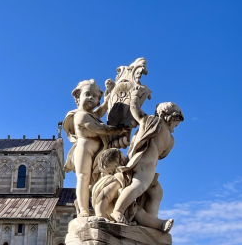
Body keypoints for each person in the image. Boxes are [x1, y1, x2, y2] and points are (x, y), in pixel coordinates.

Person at [111, 85, 182, 231]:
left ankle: (151, 221)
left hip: (150, 166)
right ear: (169, 117)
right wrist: (135, 96)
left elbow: (163, 154)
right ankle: (117, 211)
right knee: (138, 185)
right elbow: (136, 112)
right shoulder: (153, 122)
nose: (176, 126)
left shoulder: (170, 137)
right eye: (176, 122)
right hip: (143, 162)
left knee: (156, 191)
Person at [63, 79, 127, 217]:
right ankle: (84, 209)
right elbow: (99, 128)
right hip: (84, 148)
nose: (91, 98)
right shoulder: (80, 115)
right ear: (78, 97)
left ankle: (99, 209)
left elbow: (100, 111)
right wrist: (119, 130)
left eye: (95, 96)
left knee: (97, 180)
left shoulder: (91, 114)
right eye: (87, 94)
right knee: (83, 178)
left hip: (98, 151)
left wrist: (108, 97)